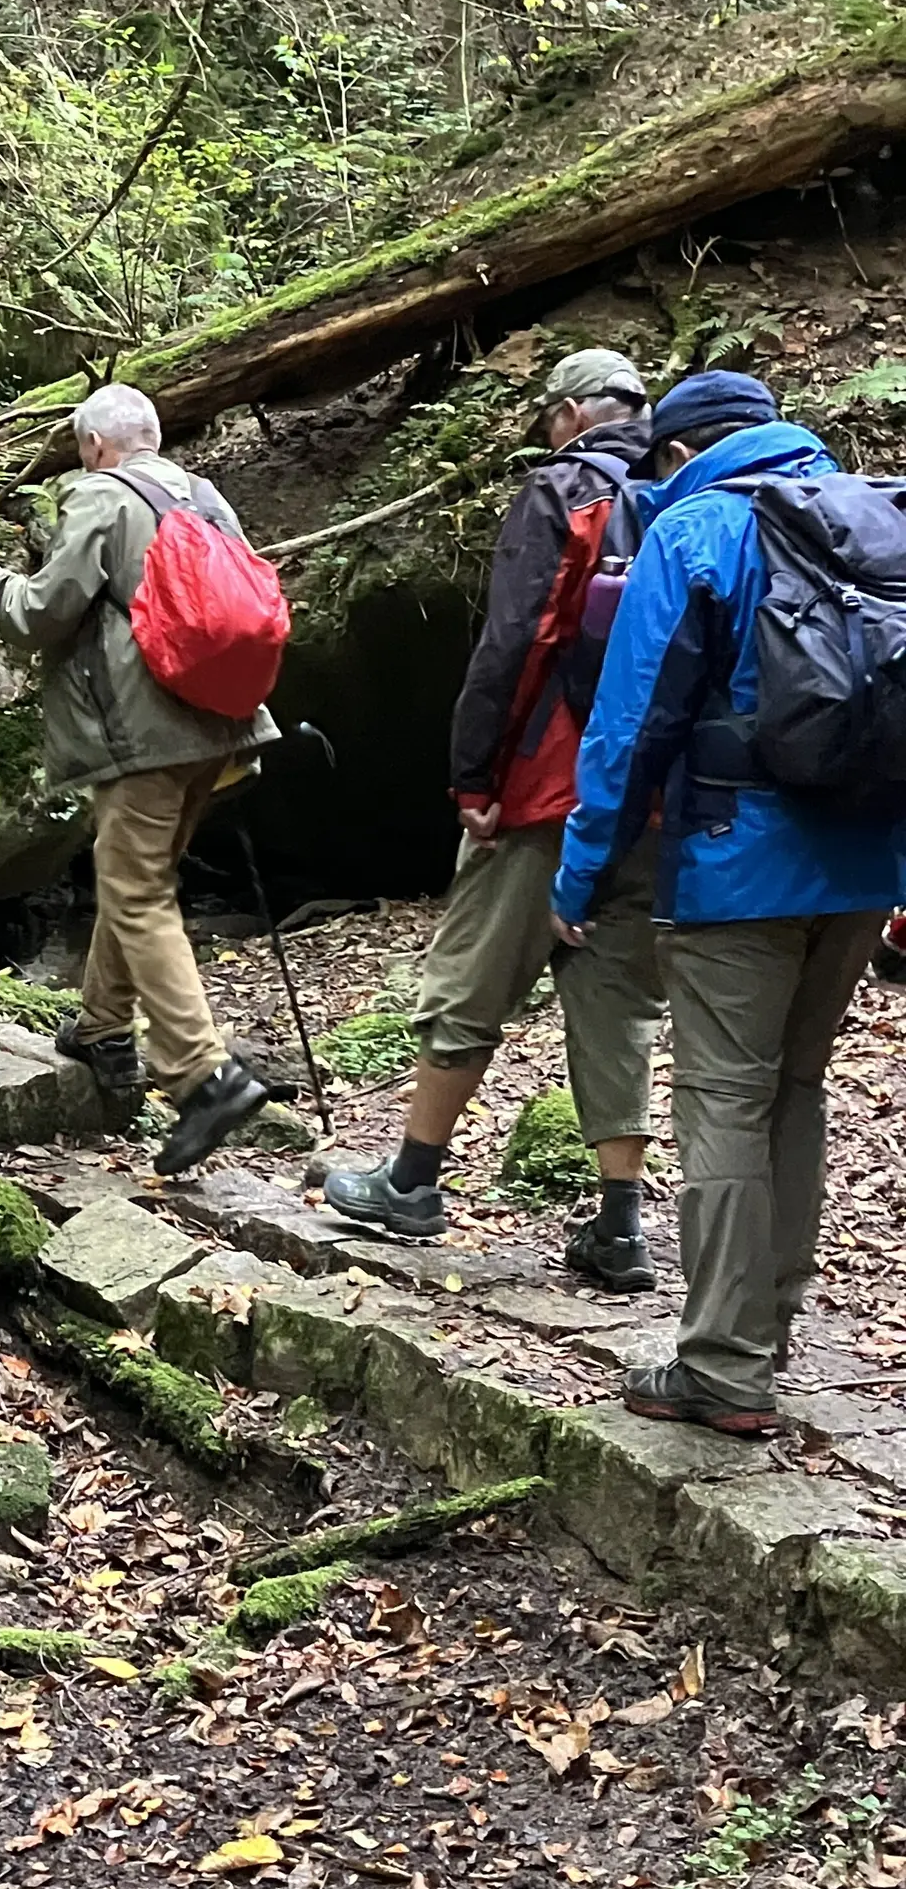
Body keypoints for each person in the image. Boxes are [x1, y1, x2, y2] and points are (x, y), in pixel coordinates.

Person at [554, 368, 906, 1434]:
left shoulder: (697, 527)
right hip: (858, 863)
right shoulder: (873, 520)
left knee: (722, 1099)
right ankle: (771, 1327)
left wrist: (580, 873)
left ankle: (721, 1362)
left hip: (733, 864)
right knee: (797, 1090)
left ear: (676, 449)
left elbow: (629, 724)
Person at [324, 350, 668, 1287]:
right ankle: (621, 1228)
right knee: (617, 999)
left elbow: (517, 638)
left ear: (566, 415)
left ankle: (412, 1182)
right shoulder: (689, 486)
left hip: (553, 787)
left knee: (471, 978)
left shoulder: (569, 490)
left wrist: (475, 775)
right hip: (661, 796)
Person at [0, 384, 273, 1177]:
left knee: (135, 892)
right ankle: (101, 1028)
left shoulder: (99, 495)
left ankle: (205, 1075)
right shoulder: (203, 495)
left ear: (94, 445)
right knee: (138, 876)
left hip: (143, 734)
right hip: (220, 725)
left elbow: (43, 613)